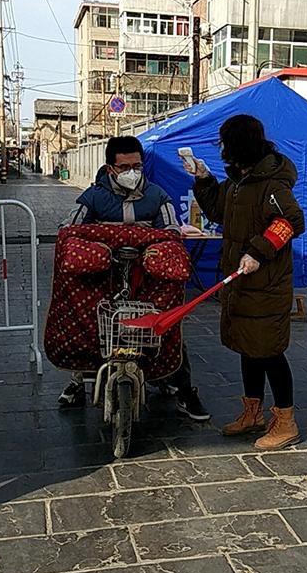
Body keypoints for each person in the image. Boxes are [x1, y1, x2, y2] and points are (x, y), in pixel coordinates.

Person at [58, 135, 210, 422]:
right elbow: (70, 231)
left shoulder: (158, 196)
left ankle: (183, 389)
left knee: (168, 327)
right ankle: (78, 381)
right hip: (103, 279)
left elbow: (171, 231)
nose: (132, 172)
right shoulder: (92, 197)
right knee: (89, 324)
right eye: (124, 167)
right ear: (110, 168)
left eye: (137, 166)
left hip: (147, 279)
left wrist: (157, 245)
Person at [187, 114, 305, 451]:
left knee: (269, 352)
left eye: (225, 142)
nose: (222, 148)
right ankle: (252, 413)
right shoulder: (238, 182)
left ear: (239, 145)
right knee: (248, 348)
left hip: (265, 284)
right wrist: (204, 178)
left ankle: (286, 422)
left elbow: (292, 221)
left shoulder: (272, 184)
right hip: (241, 284)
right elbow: (217, 211)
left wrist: (258, 251)